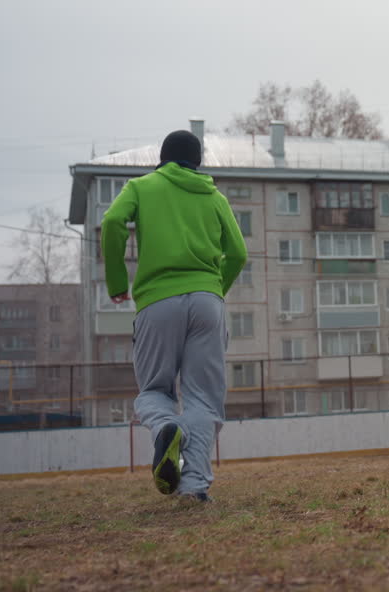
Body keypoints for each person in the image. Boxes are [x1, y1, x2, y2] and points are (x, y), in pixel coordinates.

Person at [101, 130, 247, 502]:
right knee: (203, 399)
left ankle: (167, 426)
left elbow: (114, 221)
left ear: (162, 158)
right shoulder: (213, 196)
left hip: (156, 301)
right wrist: (214, 291)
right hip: (206, 302)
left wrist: (117, 280)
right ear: (197, 161)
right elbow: (239, 254)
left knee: (154, 390)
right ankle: (194, 485)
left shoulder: (142, 187)